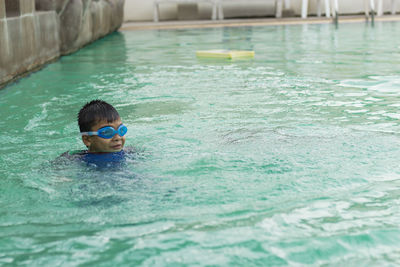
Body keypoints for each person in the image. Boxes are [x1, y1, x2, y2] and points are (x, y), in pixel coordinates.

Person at [61, 100, 132, 167]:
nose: (118, 137)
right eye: (107, 132)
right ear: (87, 140)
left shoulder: (129, 152)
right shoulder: (73, 159)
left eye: (121, 130)